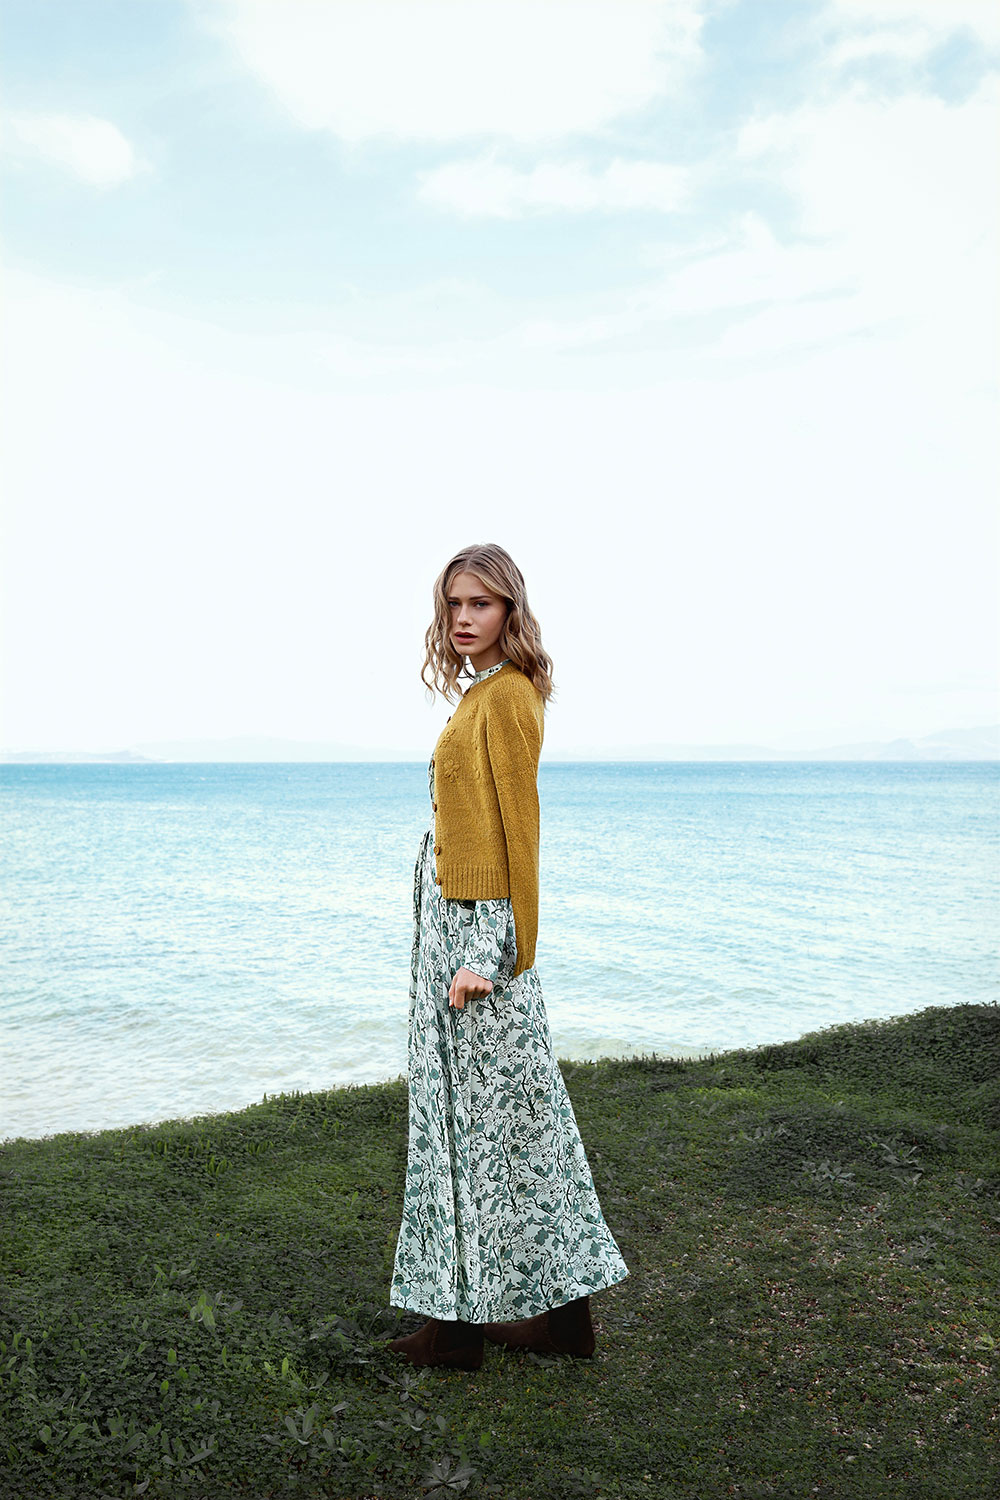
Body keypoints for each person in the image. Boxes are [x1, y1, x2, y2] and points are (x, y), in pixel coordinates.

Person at [388, 542, 629, 1371]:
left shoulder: (508, 698)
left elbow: (513, 835)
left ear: (510, 611)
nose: (463, 618)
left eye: (481, 604)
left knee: (489, 1131)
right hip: (455, 930)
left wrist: (488, 953)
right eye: (455, 603)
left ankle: (465, 1330)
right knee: (502, 1129)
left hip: (475, 940)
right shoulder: (483, 693)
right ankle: (544, 1324)